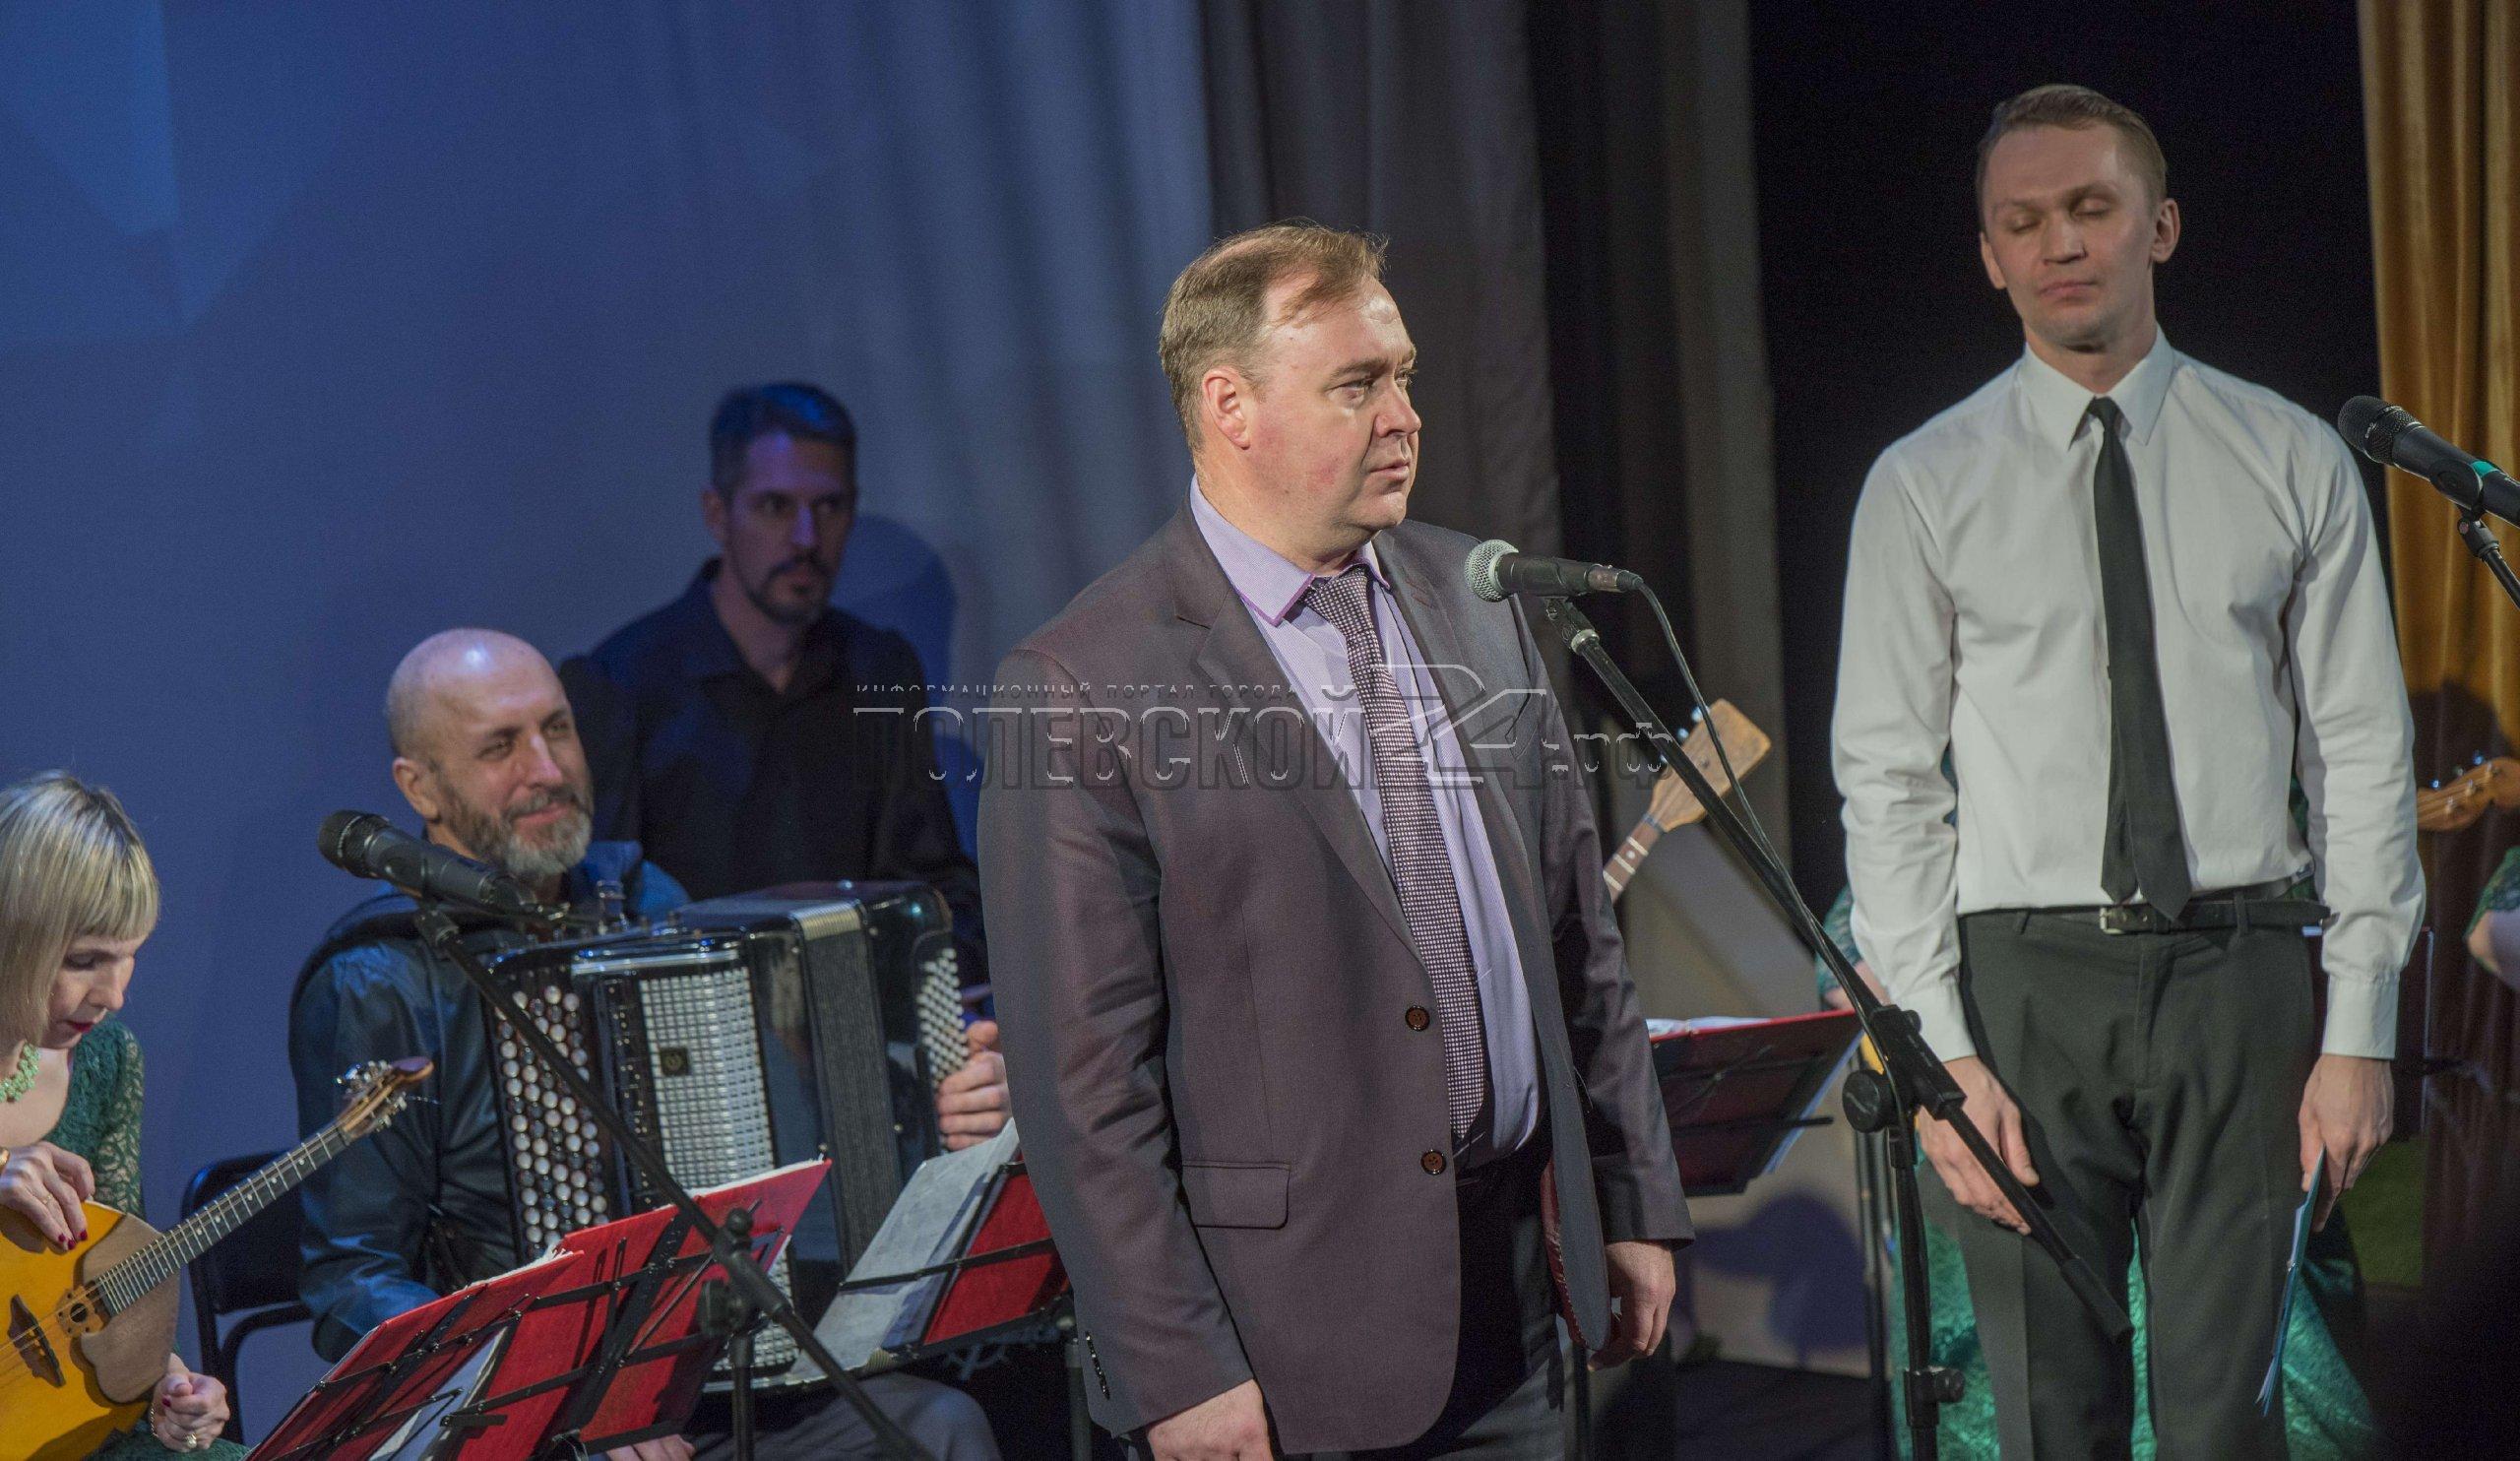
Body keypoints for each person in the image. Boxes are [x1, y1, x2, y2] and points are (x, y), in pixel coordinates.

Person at [981, 222, 1690, 1460]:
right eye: (1356, 386)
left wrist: (1629, 1195)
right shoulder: (1085, 680)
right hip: (1282, 1349)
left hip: (1521, 1297)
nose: (1404, 416)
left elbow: (1579, 940)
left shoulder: (1476, 598)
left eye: (1402, 376)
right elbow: (1084, 1088)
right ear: (1230, 405)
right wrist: (1173, 1370)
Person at [1832, 85, 2422, 1457]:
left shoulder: (2288, 455)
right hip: (2021, 991)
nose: (2059, 244)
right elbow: (1888, 780)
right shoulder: (1923, 482)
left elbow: (2359, 750)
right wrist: (1938, 1053)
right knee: (2050, 1418)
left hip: (2240, 973)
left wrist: (2359, 1027)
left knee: (2230, 1421)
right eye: (2023, 222)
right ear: (1990, 255)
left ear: (2158, 226)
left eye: (2090, 209)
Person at [288, 629, 1004, 1461]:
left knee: (940, 1428)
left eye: (557, 729)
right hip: (525, 1419)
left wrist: (926, 1111)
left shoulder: (640, 899)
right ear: (422, 788)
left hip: (712, 1376)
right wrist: (554, 1393)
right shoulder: (377, 979)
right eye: (499, 747)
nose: (547, 768)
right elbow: (351, 1280)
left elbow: (771, 1140)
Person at [1813, 886, 2382, 1459]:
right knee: (2047, 1400)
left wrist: (2362, 1035)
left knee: (2230, 1399)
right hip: (2013, 1007)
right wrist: (1938, 1043)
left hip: (2228, 969)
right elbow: (1858, 925)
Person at [560, 383, 983, 981]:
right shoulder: (622, 682)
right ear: (718, 514)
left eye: (829, 507)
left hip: (859, 1007)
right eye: (775, 507)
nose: (807, 538)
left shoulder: (878, 667)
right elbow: (604, 912)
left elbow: (929, 879)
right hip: (702, 1016)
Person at [0, 772, 240, 1457]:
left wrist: (175, 1386)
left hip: (63, 1428)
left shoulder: (107, 1060)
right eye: (84, 960)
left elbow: (119, 1281)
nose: (113, 994)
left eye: (128, 957)